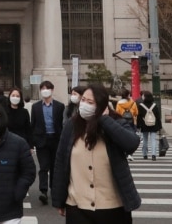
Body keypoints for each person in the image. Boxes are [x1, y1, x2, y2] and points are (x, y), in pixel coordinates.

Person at [52, 82, 141, 223]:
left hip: (112, 206)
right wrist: (58, 199)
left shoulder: (115, 122)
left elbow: (131, 144)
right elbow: (61, 161)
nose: (84, 105)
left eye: (90, 102)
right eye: (83, 100)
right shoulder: (72, 125)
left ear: (101, 106)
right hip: (77, 206)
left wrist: (104, 119)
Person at [31, 80, 66, 204]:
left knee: (54, 167)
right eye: (43, 88)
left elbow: (62, 124)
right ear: (40, 91)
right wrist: (33, 142)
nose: (45, 90)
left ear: (52, 90)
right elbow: (33, 125)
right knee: (44, 167)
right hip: (42, 141)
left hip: (56, 140)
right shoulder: (35, 107)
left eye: (47, 88)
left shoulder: (59, 106)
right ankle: (43, 191)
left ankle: (54, 189)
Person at [137, 91, 162, 161]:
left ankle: (145, 154)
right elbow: (158, 116)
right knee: (153, 140)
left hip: (144, 124)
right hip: (153, 124)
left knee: (145, 140)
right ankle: (153, 155)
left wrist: (138, 126)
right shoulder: (154, 105)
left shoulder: (141, 105)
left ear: (144, 97)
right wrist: (160, 126)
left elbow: (139, 116)